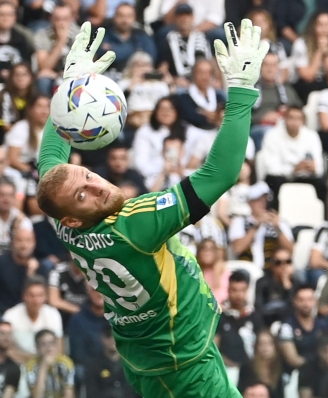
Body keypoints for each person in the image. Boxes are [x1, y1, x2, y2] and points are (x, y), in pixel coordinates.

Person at [34, 20, 269, 397]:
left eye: (89, 175)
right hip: (182, 365)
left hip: (156, 355)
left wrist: (70, 92)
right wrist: (242, 91)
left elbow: (51, 159)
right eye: (84, 194)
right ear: (73, 217)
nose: (97, 186)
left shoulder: (65, 216)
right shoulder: (134, 225)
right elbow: (220, 174)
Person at [3, 276, 63, 363]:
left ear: (45, 297)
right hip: (18, 365)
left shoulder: (53, 314)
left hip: (48, 364)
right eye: (31, 296)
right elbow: (7, 350)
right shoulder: (10, 316)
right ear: (24, 296)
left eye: (40, 296)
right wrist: (31, 361)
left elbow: (59, 347)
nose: (36, 300)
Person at [278, 284, 328, 369]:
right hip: (299, 372)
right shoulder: (287, 327)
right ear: (294, 301)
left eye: (310, 300)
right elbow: (292, 359)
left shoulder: (323, 325)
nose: (306, 304)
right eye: (301, 300)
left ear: (316, 301)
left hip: (323, 369)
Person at [215, 270, 265, 368]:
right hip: (225, 368)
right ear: (228, 290)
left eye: (242, 290)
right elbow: (214, 346)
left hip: (252, 368)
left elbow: (262, 343)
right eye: (234, 290)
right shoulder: (218, 315)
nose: (238, 295)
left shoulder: (255, 315)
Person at [85, 326, 139, 398]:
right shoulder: (93, 366)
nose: (112, 339)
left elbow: (138, 391)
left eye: (115, 336)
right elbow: (92, 393)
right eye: (108, 335)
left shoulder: (132, 364)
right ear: (102, 338)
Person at [254, 247, 300, 326]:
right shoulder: (262, 282)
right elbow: (259, 308)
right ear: (272, 265)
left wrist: (287, 284)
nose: (283, 266)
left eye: (288, 262)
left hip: (289, 323)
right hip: (267, 321)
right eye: (278, 262)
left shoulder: (296, 282)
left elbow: (296, 308)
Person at [25, 329, 74, 398]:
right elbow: (36, 396)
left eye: (52, 343)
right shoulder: (31, 365)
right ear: (36, 347)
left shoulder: (65, 363)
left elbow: (69, 395)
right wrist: (43, 367)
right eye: (43, 344)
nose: (49, 348)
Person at [238, 331, 285, 398]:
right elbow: (241, 391)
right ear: (256, 346)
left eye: (269, 343)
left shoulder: (279, 368)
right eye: (262, 343)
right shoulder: (247, 367)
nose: (265, 347)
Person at [0, 321, 19, 397]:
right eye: (2, 333)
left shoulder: (14, 368)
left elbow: (7, 395)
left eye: (9, 334)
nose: (6, 338)